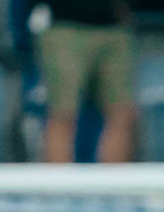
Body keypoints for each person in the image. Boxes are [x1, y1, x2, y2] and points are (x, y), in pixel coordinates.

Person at [39, 0, 137, 164]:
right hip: (65, 27)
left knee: (122, 113)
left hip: (115, 28)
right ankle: (58, 187)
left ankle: (115, 187)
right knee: (63, 113)